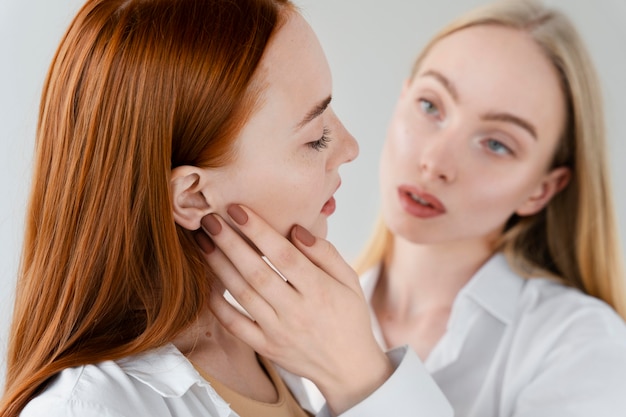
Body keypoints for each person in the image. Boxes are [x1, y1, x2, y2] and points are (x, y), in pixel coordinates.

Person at [201, 0, 626, 416]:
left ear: (542, 188)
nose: (435, 162)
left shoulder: (580, 344)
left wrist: (361, 378)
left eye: (496, 144)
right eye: (430, 106)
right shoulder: (272, 313)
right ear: (403, 97)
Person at [0, 0, 416, 416]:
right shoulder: (88, 409)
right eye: (315, 138)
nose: (349, 147)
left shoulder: (270, 339)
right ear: (192, 196)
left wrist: (360, 377)